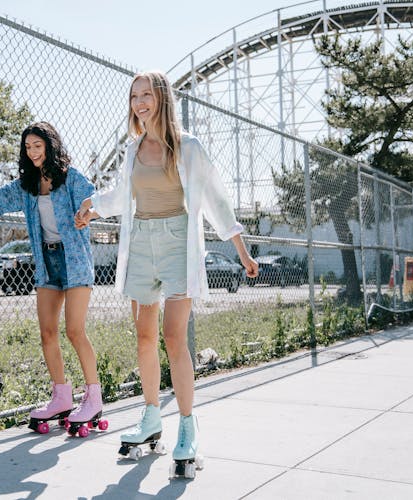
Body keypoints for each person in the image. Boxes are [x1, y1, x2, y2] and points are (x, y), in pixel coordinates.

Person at [75, 71, 258, 475]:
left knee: (174, 336)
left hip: (178, 243)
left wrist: (241, 249)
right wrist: (93, 204)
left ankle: (188, 426)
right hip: (141, 243)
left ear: (162, 99)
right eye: (134, 96)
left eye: (147, 95)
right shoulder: (133, 147)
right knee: (143, 335)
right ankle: (151, 414)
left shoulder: (189, 147)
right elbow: (122, 195)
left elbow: (216, 200)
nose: (140, 102)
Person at [0, 122, 105, 435]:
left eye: (38, 146)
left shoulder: (71, 177)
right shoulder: (27, 185)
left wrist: (87, 214)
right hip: (46, 260)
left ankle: (93, 397)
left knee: (75, 331)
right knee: (47, 332)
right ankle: (62, 397)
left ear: (50, 146)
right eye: (28, 147)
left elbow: (95, 201)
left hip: (74, 259)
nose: (33, 152)